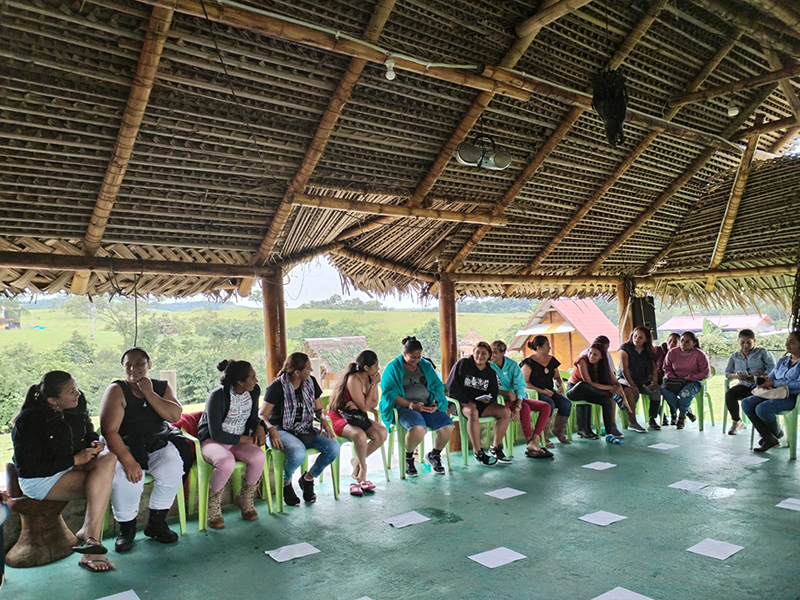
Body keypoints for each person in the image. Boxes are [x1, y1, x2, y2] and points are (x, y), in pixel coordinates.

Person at [12, 371, 117, 572]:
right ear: (53, 400)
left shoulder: (78, 403)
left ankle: (89, 534)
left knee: (109, 458)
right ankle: (90, 547)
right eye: (71, 391)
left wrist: (93, 442)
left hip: (72, 465)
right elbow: (30, 467)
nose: (77, 393)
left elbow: (87, 429)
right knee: (105, 483)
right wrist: (73, 459)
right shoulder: (29, 421)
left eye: (76, 387)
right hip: (41, 478)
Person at [100, 348, 189, 553]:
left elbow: (174, 415)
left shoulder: (161, 387)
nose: (133, 368)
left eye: (139, 363)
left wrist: (149, 393)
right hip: (125, 446)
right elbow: (109, 431)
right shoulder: (116, 390)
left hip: (157, 442)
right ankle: (127, 529)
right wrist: (128, 461)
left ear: (149, 365)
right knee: (128, 479)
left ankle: (156, 523)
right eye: (128, 365)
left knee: (173, 468)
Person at [259, 353, 339, 506]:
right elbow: (262, 415)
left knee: (333, 447)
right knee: (298, 452)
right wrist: (270, 428)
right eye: (308, 368)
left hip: (304, 427)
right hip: (280, 429)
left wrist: (323, 418)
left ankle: (308, 478)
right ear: (297, 372)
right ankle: (286, 483)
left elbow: (318, 408)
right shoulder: (277, 387)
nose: (311, 371)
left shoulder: (310, 382)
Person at [197, 360, 266, 529]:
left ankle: (245, 498)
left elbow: (251, 419)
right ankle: (213, 505)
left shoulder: (253, 392)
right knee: (226, 462)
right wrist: (248, 440)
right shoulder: (217, 396)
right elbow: (217, 433)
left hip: (237, 440)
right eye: (253, 377)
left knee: (258, 456)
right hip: (213, 441)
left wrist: (259, 427)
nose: (256, 381)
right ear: (240, 382)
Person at [379, 336, 455, 476]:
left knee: (448, 427)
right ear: (404, 354)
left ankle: (434, 455)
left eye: (419, 357)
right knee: (418, 429)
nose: (417, 360)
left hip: (426, 406)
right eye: (413, 357)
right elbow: (389, 394)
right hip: (404, 408)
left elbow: (437, 386)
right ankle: (408, 457)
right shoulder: (393, 368)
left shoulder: (425, 365)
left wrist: (435, 403)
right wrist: (411, 405)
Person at [327, 350, 388, 496]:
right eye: (376, 366)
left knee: (381, 433)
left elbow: (372, 403)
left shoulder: (369, 379)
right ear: (366, 368)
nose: (378, 369)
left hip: (357, 416)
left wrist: (374, 385)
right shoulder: (353, 379)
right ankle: (363, 471)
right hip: (341, 416)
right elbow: (365, 407)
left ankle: (356, 462)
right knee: (359, 435)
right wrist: (363, 404)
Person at [447, 341, 512, 466]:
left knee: (505, 411)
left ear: (489, 356)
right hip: (461, 403)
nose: (480, 356)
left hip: (481, 404)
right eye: (477, 352)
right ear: (473, 352)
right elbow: (452, 387)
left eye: (484, 353)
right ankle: (479, 452)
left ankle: (495, 447)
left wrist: (489, 399)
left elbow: (493, 391)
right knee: (472, 411)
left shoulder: (490, 371)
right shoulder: (463, 364)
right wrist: (469, 400)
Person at [491, 340, 553, 458]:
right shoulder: (489, 366)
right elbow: (490, 388)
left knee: (546, 406)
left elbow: (520, 386)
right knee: (525, 407)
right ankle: (529, 443)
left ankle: (534, 440)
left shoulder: (512, 365)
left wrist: (517, 406)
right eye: (491, 352)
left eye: (495, 353)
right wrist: (508, 394)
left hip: (516, 399)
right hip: (500, 401)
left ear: (503, 353)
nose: (492, 355)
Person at [742, 331, 800, 452]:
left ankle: (774, 434)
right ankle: (771, 437)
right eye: (787, 341)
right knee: (746, 403)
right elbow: (772, 376)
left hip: (792, 396)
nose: (787, 344)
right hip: (775, 393)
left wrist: (776, 383)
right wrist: (765, 381)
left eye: (792, 342)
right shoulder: (783, 361)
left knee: (762, 409)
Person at [519, 336, 570, 447]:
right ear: (539, 348)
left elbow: (557, 378)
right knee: (549, 404)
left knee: (566, 404)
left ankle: (558, 430)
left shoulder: (551, 360)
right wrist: (542, 391)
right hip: (533, 393)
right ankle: (543, 436)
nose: (550, 348)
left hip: (549, 391)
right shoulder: (528, 362)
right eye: (547, 345)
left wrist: (559, 386)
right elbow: (525, 383)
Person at [566, 344, 625, 440]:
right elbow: (588, 382)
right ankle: (611, 395)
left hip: (591, 392)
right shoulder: (582, 360)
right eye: (590, 353)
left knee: (606, 401)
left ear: (601, 357)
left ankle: (609, 434)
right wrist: (611, 389)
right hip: (575, 390)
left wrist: (618, 390)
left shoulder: (604, 365)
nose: (591, 356)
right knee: (583, 385)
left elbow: (615, 381)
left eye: (595, 355)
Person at [724, 329, 776, 435]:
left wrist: (759, 377)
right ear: (738, 341)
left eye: (749, 342)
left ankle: (763, 429)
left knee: (750, 398)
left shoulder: (762, 352)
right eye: (742, 342)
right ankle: (737, 421)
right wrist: (736, 376)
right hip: (744, 384)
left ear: (754, 341)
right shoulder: (735, 356)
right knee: (730, 394)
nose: (745, 345)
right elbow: (727, 373)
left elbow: (773, 368)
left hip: (759, 385)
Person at [661, 332, 710, 430]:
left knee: (685, 393)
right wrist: (672, 376)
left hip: (693, 381)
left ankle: (682, 417)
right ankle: (687, 411)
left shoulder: (699, 354)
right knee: (663, 390)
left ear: (694, 343)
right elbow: (666, 368)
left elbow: (706, 373)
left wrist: (690, 377)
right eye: (682, 340)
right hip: (676, 380)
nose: (683, 343)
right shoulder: (672, 353)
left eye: (687, 341)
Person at [618, 326, 661, 432]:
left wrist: (654, 381)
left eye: (640, 337)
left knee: (655, 390)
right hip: (625, 379)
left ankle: (652, 418)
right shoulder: (624, 348)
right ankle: (632, 422)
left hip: (642, 380)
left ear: (646, 339)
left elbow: (653, 367)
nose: (636, 339)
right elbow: (624, 369)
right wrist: (632, 384)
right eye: (635, 336)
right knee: (631, 392)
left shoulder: (648, 350)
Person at [657, 333, 681, 425]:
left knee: (670, 390)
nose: (672, 344)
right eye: (670, 341)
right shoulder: (659, 351)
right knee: (654, 393)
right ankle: (662, 415)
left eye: (675, 342)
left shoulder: (681, 355)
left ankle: (674, 415)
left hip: (672, 381)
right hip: (658, 379)